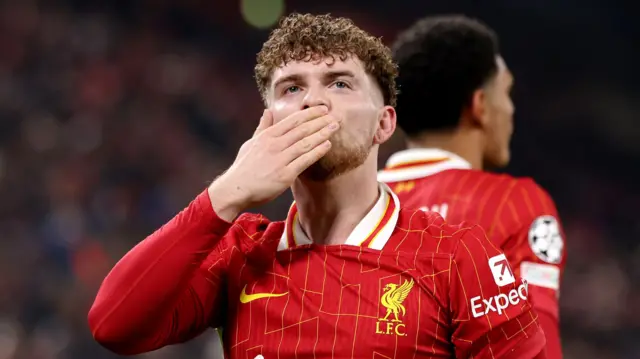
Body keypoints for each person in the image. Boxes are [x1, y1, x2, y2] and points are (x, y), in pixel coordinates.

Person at [89, 13, 546, 358]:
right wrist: (224, 195)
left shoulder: (456, 255)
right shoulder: (242, 254)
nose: (314, 100)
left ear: (384, 124)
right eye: (291, 89)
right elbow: (114, 325)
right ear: (266, 124)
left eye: (340, 83)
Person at [378, 15, 565, 359]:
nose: (511, 109)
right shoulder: (515, 203)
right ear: (479, 106)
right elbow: (535, 346)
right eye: (506, 92)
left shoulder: (346, 203)